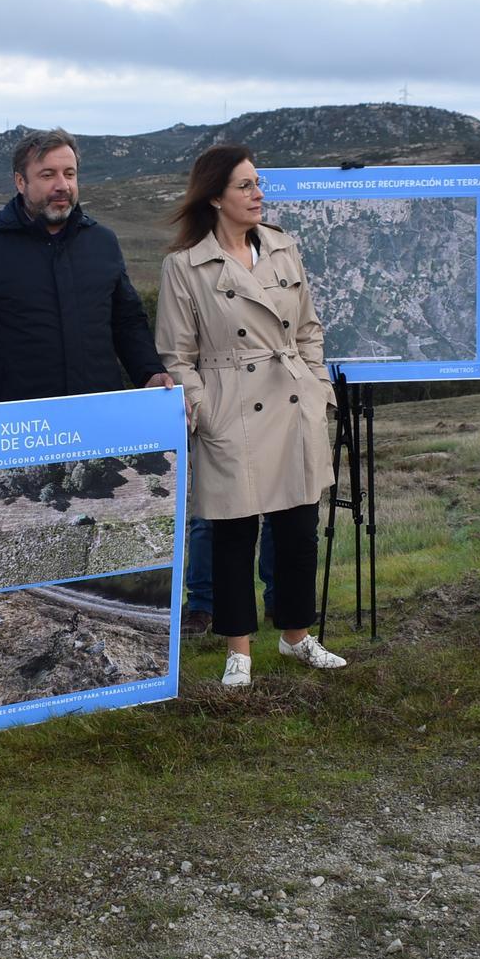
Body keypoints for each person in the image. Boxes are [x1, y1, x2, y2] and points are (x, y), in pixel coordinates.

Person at [156, 144, 344, 686]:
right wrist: (203, 410)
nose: (258, 193)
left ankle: (296, 636)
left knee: (298, 529)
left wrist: (316, 388)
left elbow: (308, 328)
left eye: (258, 183)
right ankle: (238, 651)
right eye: (244, 185)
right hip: (229, 406)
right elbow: (177, 354)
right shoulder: (184, 266)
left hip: (292, 402)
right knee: (234, 533)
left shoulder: (284, 248)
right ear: (215, 196)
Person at [0, 127, 171, 418]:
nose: (62, 185)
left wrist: (150, 373)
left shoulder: (102, 243)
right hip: (23, 431)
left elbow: (128, 323)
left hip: (102, 422)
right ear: (21, 182)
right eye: (48, 175)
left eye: (69, 174)